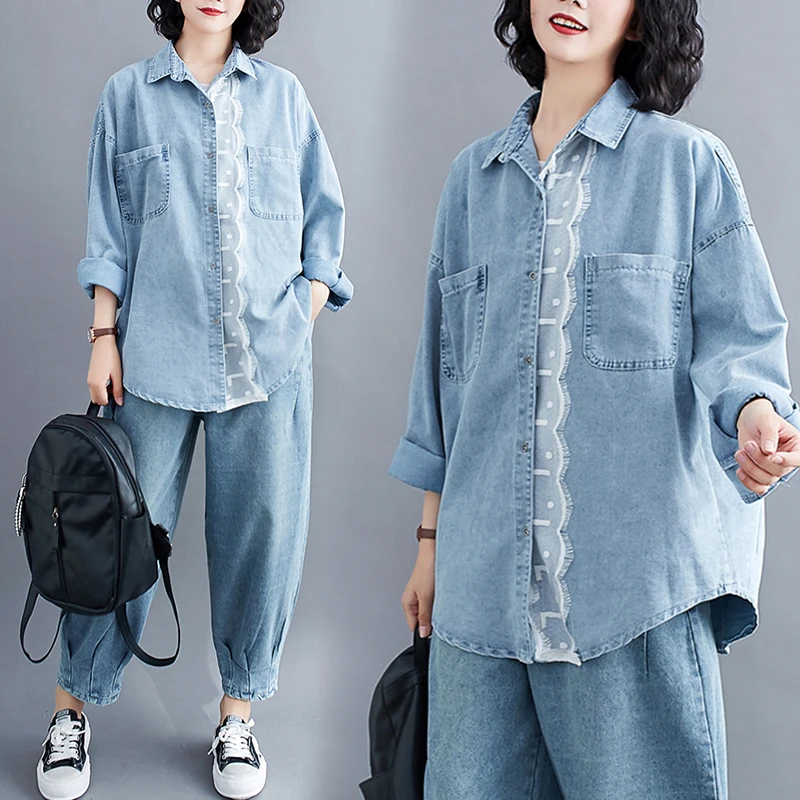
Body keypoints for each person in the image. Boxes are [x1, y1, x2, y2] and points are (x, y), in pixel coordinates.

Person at [388, 1, 800, 798]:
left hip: (632, 595)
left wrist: (757, 419)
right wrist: (430, 545)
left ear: (641, 21)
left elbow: (742, 341)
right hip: (479, 595)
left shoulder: (688, 166)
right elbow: (444, 383)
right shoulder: (471, 182)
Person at [36, 2, 352, 799]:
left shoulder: (284, 97)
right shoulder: (127, 97)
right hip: (153, 358)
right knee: (116, 538)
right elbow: (108, 230)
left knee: (262, 539)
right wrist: (103, 333)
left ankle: (237, 715)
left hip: (267, 365)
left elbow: (324, 220)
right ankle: (71, 709)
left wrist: (305, 309)